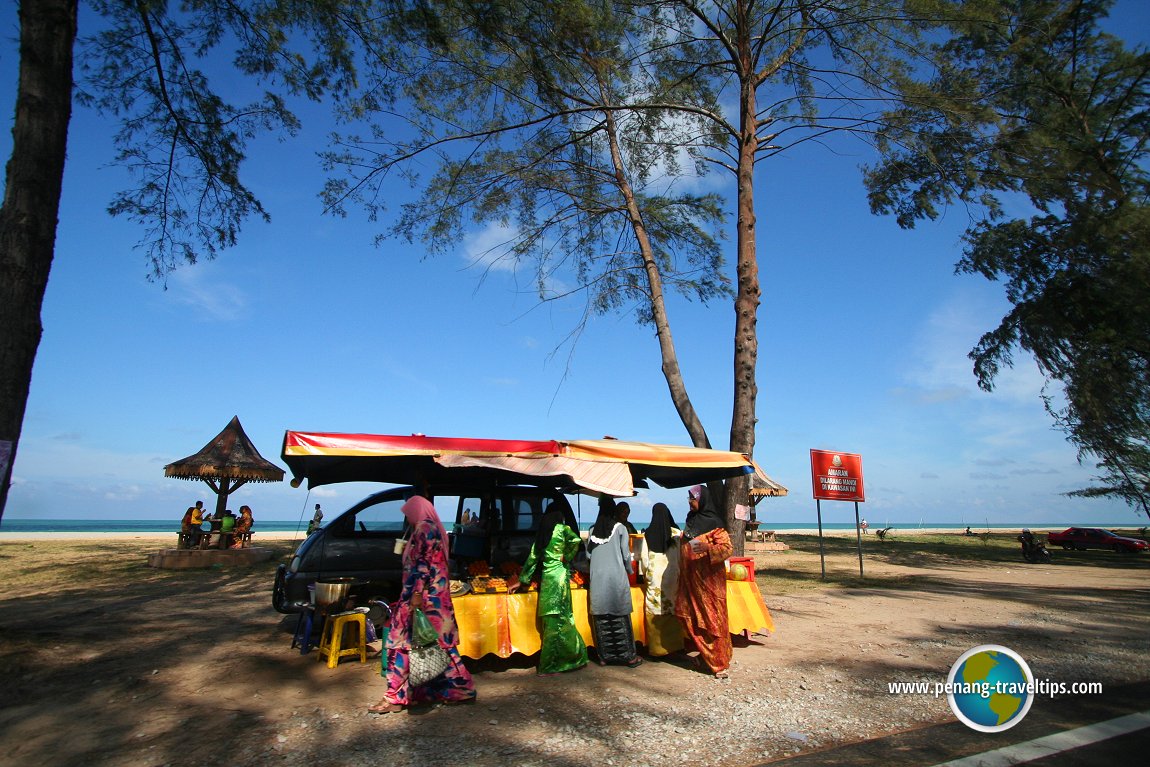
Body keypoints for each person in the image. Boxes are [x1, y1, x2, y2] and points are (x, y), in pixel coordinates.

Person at [370, 493, 475, 713]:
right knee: (440, 648)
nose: (407, 519)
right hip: (436, 601)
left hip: (422, 601)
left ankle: (394, 697)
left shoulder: (424, 529)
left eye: (408, 514)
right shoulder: (431, 528)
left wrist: (415, 596)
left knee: (400, 646)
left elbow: (422, 566)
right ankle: (459, 689)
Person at [508, 497, 587, 676]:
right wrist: (566, 557)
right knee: (561, 621)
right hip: (559, 579)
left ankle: (560, 661)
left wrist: (522, 580)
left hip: (547, 580)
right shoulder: (563, 529)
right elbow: (576, 541)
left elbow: (533, 558)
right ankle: (551, 664)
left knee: (551, 621)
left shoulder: (542, 533)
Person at [675, 484, 734, 678]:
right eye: (689, 499)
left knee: (712, 621)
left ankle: (719, 662)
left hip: (709, 584)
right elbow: (688, 544)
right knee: (691, 618)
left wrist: (708, 549)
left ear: (703, 500)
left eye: (693, 499)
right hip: (691, 582)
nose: (690, 502)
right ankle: (705, 656)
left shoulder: (715, 524)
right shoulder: (691, 520)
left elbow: (726, 548)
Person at [587, 497, 642, 667]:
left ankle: (604, 657)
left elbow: (589, 555)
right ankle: (629, 657)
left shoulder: (592, 530)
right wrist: (631, 571)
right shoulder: (620, 529)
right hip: (616, 577)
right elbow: (626, 555)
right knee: (619, 615)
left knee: (602, 617)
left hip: (597, 578)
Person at [642, 502, 684, 657]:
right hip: (672, 576)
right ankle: (675, 647)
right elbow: (680, 557)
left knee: (654, 609)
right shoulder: (675, 533)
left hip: (654, 578)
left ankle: (656, 650)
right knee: (672, 608)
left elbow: (645, 561)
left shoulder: (648, 534)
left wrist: (646, 575)